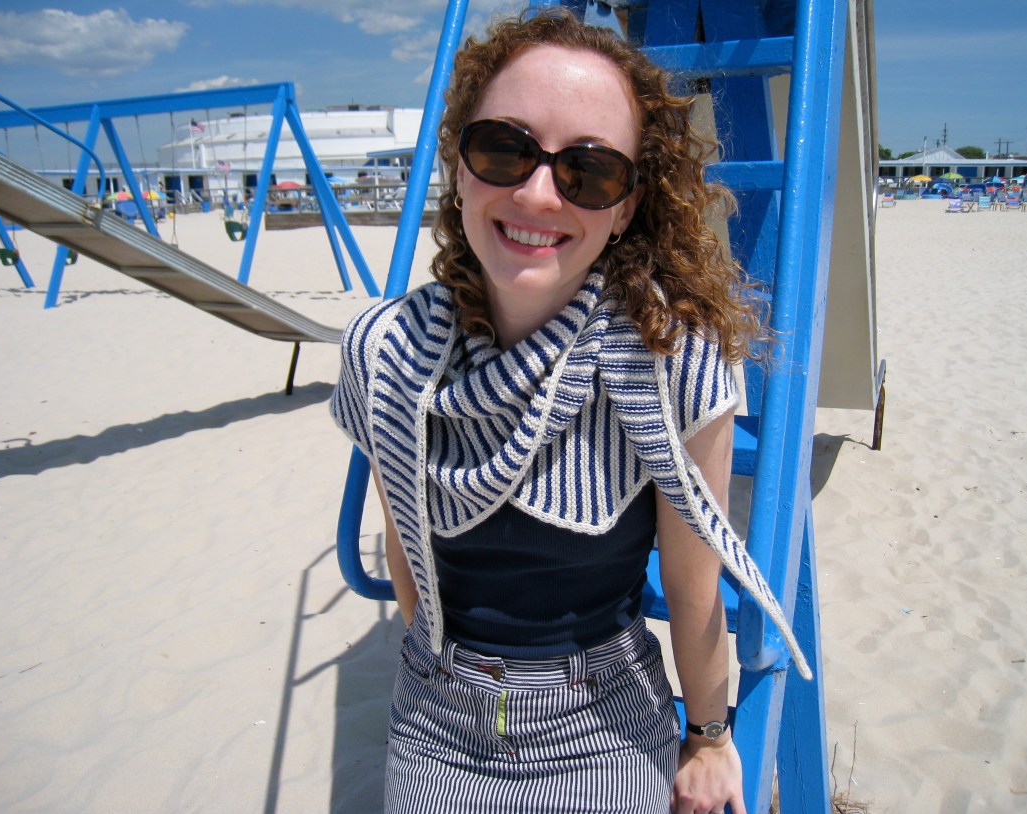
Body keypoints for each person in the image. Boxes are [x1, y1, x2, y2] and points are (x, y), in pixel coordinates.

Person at [330, 9, 808, 814]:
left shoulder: (672, 362)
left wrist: (708, 736)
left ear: (624, 207)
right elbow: (408, 553)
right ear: (460, 166)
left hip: (602, 720)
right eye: (503, 150)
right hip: (435, 716)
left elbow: (692, 589)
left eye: (588, 171)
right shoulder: (386, 354)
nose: (537, 192)